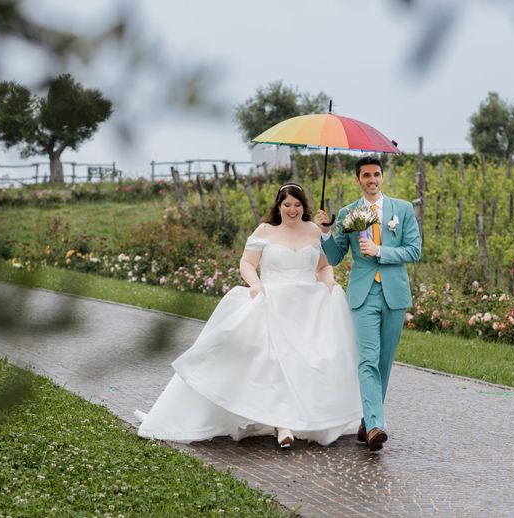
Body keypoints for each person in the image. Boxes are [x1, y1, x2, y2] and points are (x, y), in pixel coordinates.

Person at [135, 183, 361, 449]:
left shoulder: (314, 230)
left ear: (304, 207)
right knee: (275, 361)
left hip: (307, 308)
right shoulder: (265, 231)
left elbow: (323, 266)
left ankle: (300, 417)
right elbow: (247, 263)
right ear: (278, 206)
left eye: (297, 205)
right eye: (287, 204)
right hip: (272, 302)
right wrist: (255, 283)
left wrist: (329, 282)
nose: (292, 210)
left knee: (304, 363)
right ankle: (282, 423)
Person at [315, 156, 421, 451]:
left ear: (382, 177)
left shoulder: (402, 210)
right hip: (364, 295)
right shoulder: (349, 213)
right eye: (366, 176)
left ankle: (366, 422)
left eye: (376, 174)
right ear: (357, 180)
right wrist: (324, 232)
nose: (372, 180)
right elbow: (335, 257)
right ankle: (376, 424)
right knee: (368, 359)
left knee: (384, 361)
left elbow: (414, 251)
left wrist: (380, 250)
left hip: (395, 294)